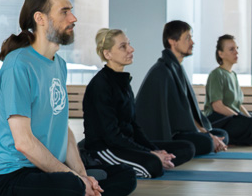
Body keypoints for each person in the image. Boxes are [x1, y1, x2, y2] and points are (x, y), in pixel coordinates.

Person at [0, 0, 137, 196]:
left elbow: (63, 130)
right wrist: (75, 180)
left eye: (71, 11)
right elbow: (23, 142)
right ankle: (80, 192)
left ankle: (84, 192)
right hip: (14, 175)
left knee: (126, 175)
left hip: (51, 170)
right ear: (40, 19)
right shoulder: (18, 65)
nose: (73, 18)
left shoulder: (59, 65)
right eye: (64, 12)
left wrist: (82, 175)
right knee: (71, 187)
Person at [80, 28, 196, 178]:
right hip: (105, 149)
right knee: (153, 165)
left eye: (129, 44)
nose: (131, 49)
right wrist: (150, 154)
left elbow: (134, 126)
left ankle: (159, 160)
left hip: (126, 143)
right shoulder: (100, 86)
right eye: (123, 47)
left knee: (187, 148)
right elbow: (111, 136)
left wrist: (155, 150)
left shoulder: (123, 82)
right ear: (107, 54)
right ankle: (101, 165)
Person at [136, 20, 228, 159]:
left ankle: (212, 140)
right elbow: (180, 118)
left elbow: (186, 112)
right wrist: (208, 136)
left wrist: (208, 134)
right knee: (206, 142)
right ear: (172, 41)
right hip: (168, 134)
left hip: (182, 130)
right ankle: (211, 141)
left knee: (222, 134)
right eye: (187, 38)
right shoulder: (162, 71)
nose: (192, 42)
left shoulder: (176, 67)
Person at [206, 34, 252, 146]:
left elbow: (238, 105)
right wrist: (241, 118)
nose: (236, 52)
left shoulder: (233, 75)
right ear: (220, 54)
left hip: (237, 118)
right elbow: (217, 106)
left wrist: (249, 118)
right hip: (221, 120)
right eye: (231, 49)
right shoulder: (216, 74)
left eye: (237, 48)